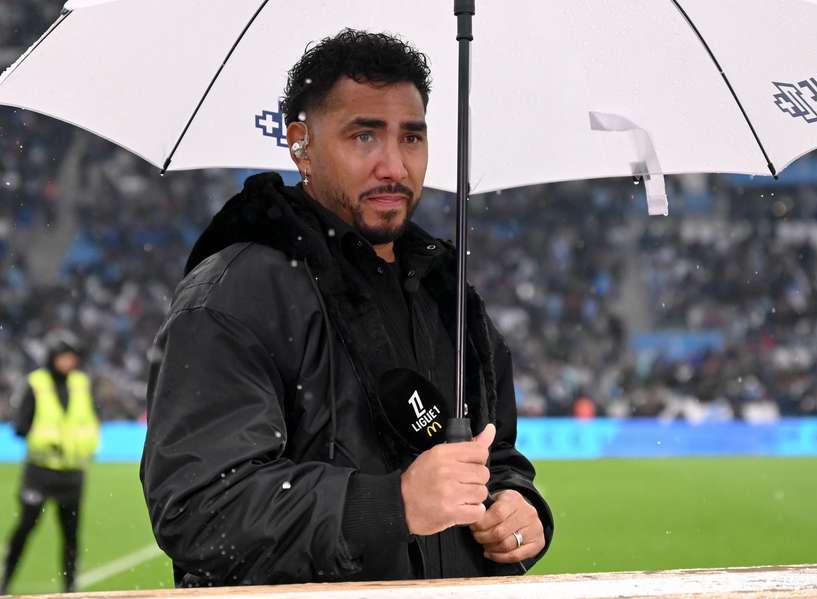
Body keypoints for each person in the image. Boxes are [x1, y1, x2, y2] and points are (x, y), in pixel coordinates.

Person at [140, 29, 553, 587]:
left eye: (411, 138)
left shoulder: (446, 292)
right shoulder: (233, 296)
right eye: (364, 137)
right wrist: (391, 504)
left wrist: (517, 507)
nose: (393, 166)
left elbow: (494, 454)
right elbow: (200, 510)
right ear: (300, 144)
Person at [1, 332, 100, 594]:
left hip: (72, 472)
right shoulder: (36, 383)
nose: (68, 362)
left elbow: (90, 420)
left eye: (72, 357)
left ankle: (70, 588)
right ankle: (5, 580)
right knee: (25, 528)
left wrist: (85, 445)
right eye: (63, 357)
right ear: (52, 357)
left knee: (70, 535)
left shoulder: (81, 383)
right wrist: (48, 439)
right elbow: (21, 426)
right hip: (40, 471)